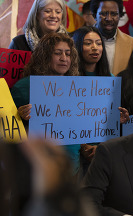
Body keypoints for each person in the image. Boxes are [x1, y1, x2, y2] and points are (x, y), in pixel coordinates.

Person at [11, 33, 81, 172]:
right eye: (57, 53)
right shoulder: (23, 87)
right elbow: (9, 130)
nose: (64, 58)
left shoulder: (79, 89)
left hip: (73, 166)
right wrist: (20, 117)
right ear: (44, 55)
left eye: (68, 54)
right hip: (36, 168)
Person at [72, 26, 129, 177]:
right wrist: (83, 146)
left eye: (98, 43)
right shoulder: (68, 80)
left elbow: (108, 119)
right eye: (88, 43)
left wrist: (119, 120)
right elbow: (66, 118)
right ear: (77, 46)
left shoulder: (111, 79)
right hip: (74, 154)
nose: (94, 48)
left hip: (103, 151)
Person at [90, 0, 133, 75]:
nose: (109, 18)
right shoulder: (78, 41)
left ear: (120, 15)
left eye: (114, 14)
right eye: (104, 13)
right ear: (94, 15)